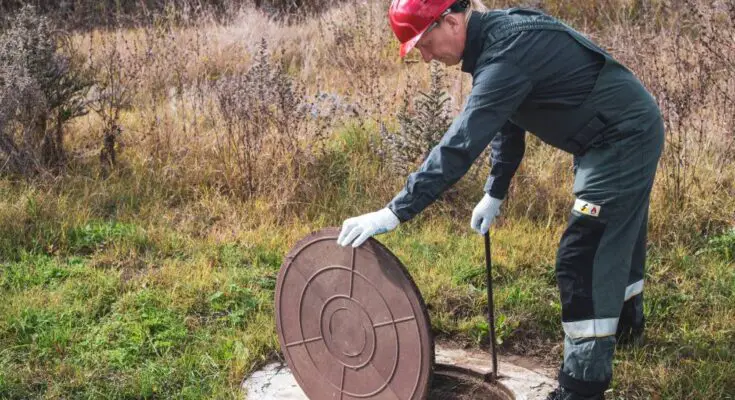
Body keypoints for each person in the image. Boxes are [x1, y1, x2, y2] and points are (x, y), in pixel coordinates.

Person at [336, 1, 664, 399]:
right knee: (618, 237)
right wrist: (495, 190)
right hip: (612, 133)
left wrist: (394, 212)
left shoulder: (506, 53)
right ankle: (626, 330)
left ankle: (582, 386)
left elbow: (459, 145)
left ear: (451, 21)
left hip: (620, 140)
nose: (423, 57)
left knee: (585, 253)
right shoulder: (498, 42)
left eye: (422, 43)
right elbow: (510, 121)